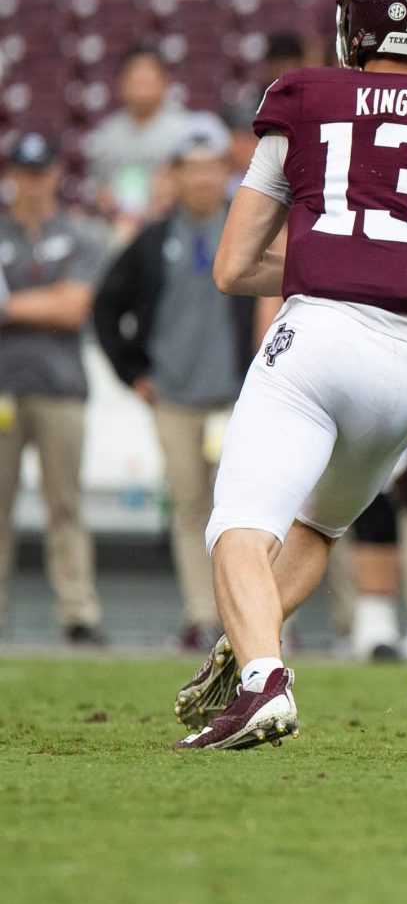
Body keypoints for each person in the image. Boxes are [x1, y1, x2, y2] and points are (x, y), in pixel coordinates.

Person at [167, 0, 407, 749]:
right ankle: (254, 646)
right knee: (319, 526)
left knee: (239, 522)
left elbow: (234, 264)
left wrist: (329, 256)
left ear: (355, 21)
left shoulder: (306, 95)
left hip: (317, 335)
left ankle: (262, 675)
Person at [91, 122, 257, 654]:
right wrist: (132, 371)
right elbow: (105, 306)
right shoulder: (154, 239)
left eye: (212, 167)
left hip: (236, 398)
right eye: (193, 168)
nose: (203, 178)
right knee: (189, 510)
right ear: (176, 176)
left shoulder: (246, 229)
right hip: (175, 400)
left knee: (245, 510)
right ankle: (203, 616)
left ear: (224, 173)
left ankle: (250, 618)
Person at [0, 133, 108, 646]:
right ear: (13, 176)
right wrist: (47, 302)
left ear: (56, 175)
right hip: (4, 386)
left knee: (65, 504)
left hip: (61, 387)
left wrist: (8, 306)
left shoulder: (81, 234)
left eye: (41, 172)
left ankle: (78, 612)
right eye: (25, 172)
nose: (34, 182)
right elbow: (60, 303)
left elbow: (74, 309)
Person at [84, 49, 196, 230]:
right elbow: (96, 186)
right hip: (117, 224)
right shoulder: (107, 133)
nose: (141, 88)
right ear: (122, 83)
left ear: (164, 82)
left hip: (170, 223)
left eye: (148, 80)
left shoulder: (184, 130)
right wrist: (103, 198)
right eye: (135, 80)